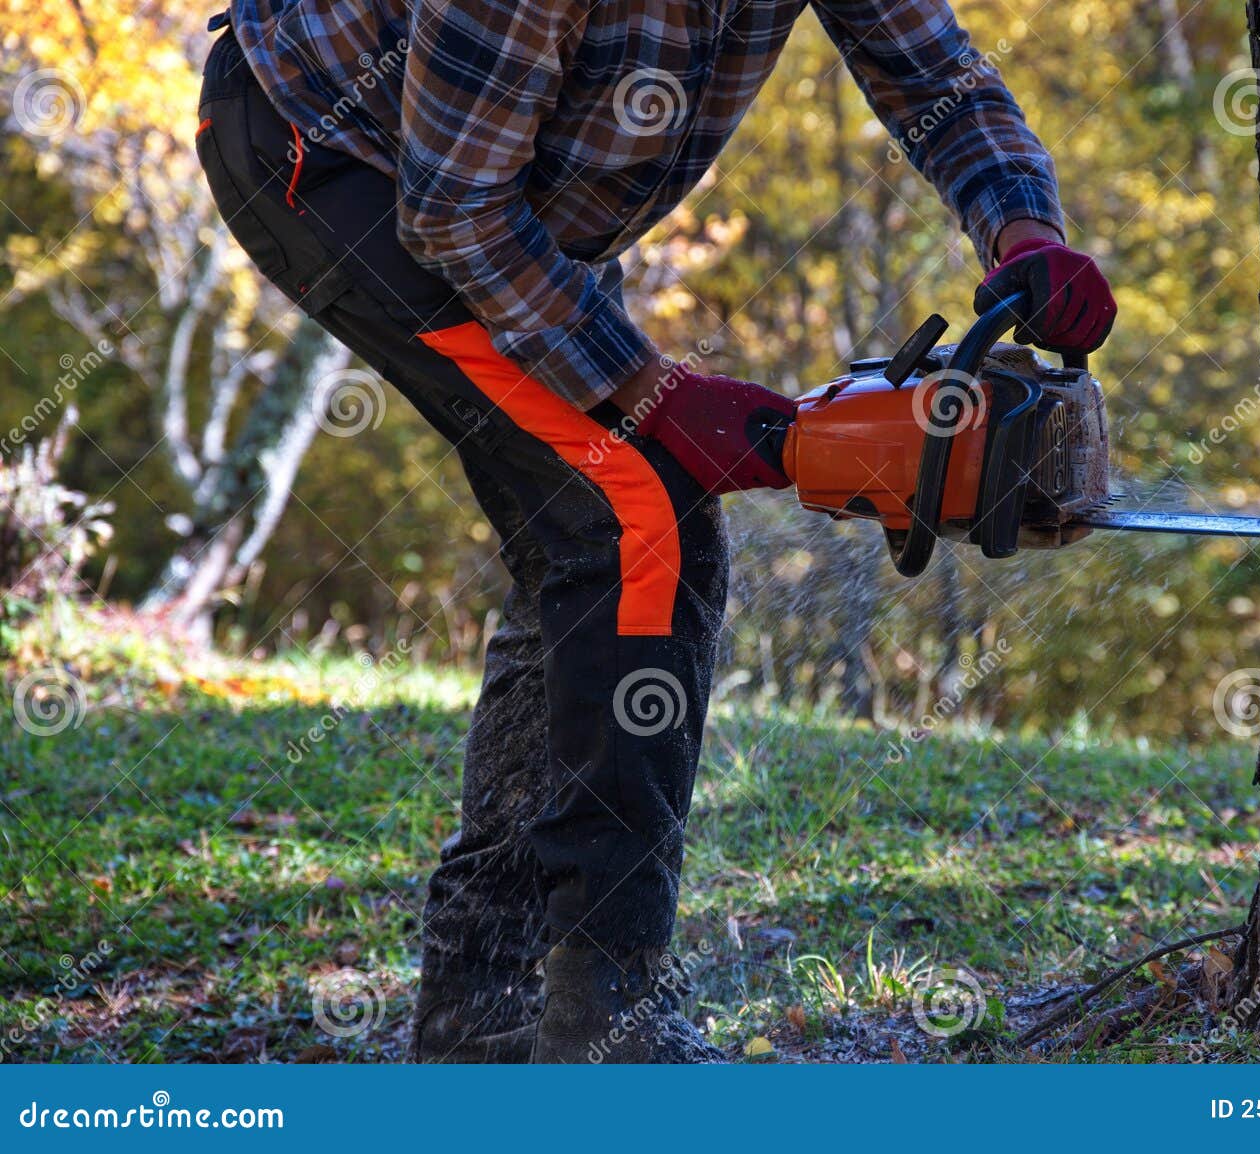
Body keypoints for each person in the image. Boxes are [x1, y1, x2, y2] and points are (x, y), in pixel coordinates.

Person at [195, 0, 1116, 1063]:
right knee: (637, 510)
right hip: (343, 158)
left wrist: (1024, 232)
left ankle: (484, 1005)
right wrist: (654, 396)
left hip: (528, 209)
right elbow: (451, 213)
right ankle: (606, 1022)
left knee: (591, 531)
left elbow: (933, 78)